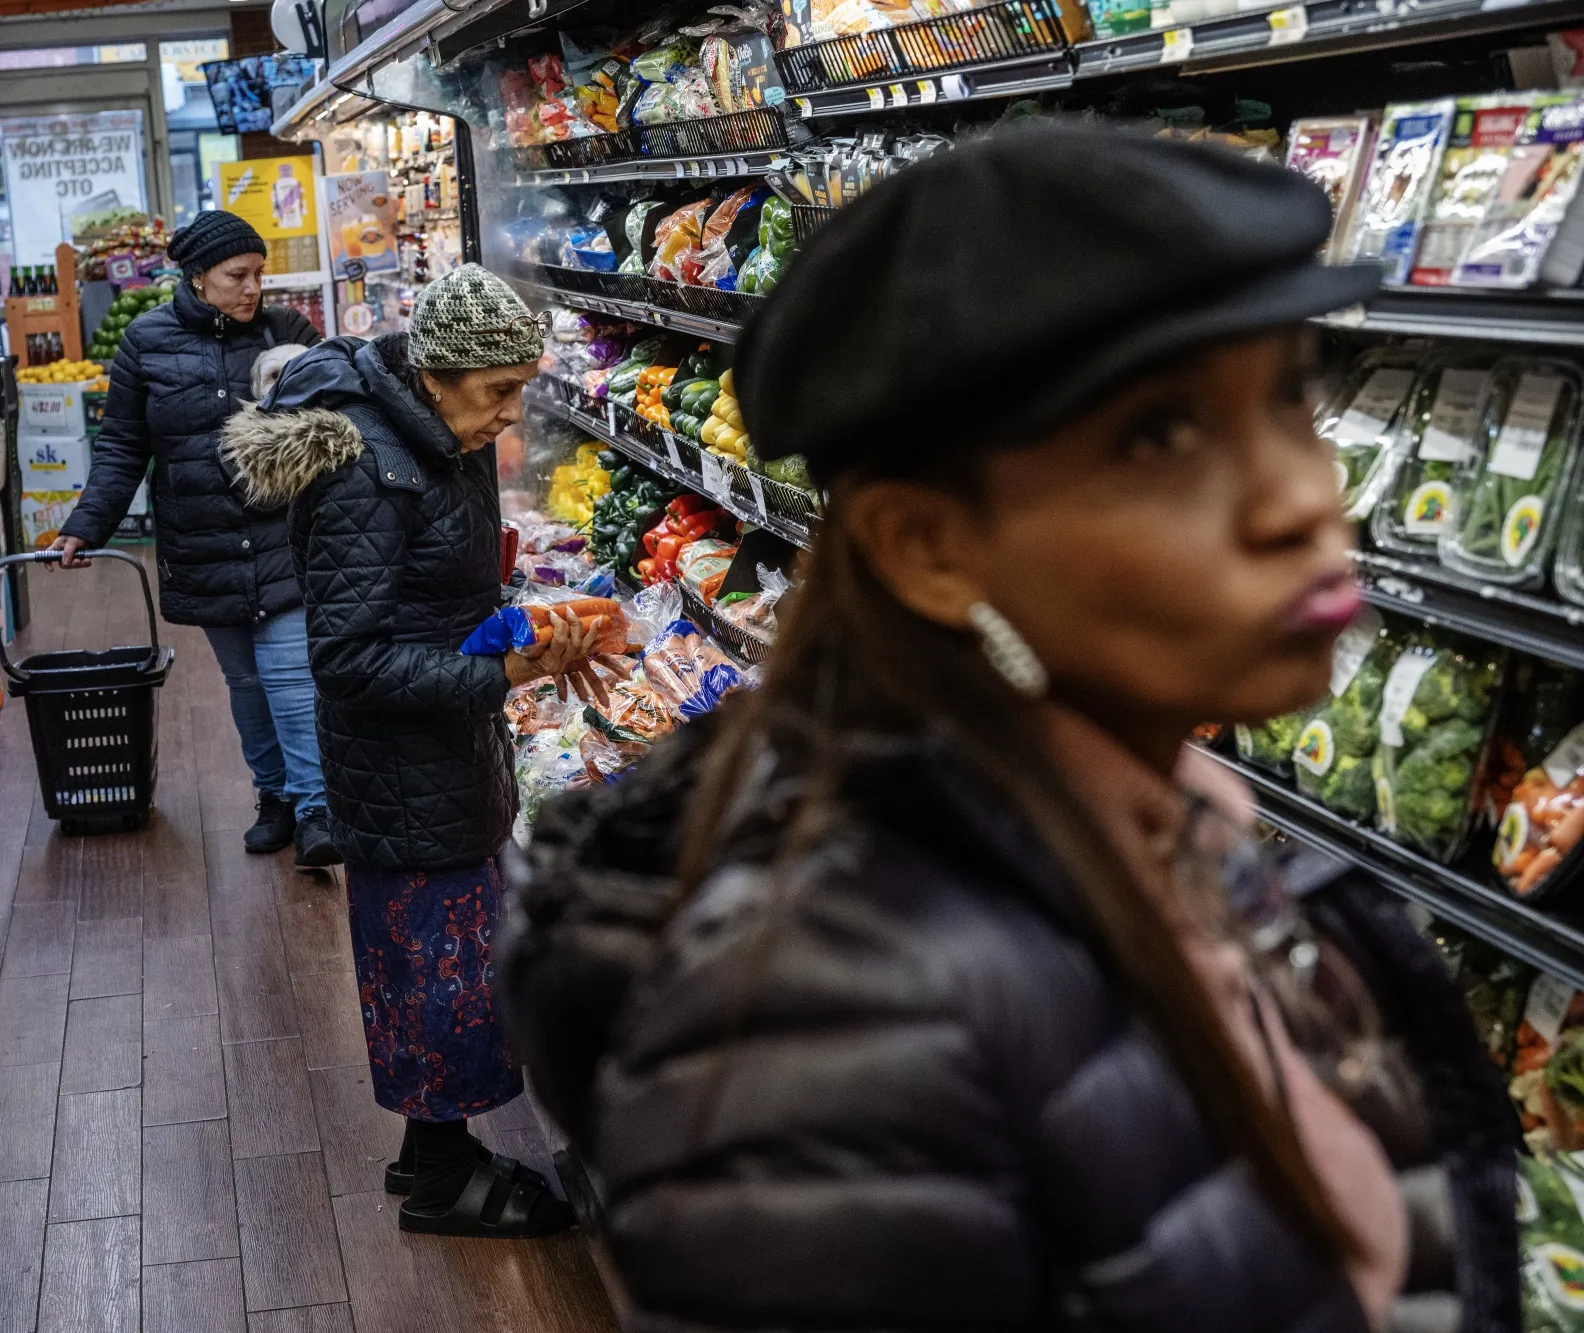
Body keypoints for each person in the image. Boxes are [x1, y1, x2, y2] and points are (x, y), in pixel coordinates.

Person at [498, 129, 1520, 1332]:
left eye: (1290, 401)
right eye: (1159, 437)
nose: (1302, 497)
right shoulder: (827, 1041)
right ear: (927, 547)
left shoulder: (1182, 829)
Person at [219, 264, 622, 1239]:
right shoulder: (364, 467)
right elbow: (350, 660)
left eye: (520, 388)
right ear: (436, 376)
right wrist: (506, 677)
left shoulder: (444, 440)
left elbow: (446, 600)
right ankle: (444, 1177)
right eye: (496, 392)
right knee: (432, 970)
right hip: (396, 766)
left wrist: (527, 633)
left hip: (449, 746)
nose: (508, 413)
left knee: (444, 964)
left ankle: (427, 1148)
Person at [54, 210, 338, 866]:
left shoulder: (287, 332)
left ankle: (316, 806)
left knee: (290, 674)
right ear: (197, 276)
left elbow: (338, 411)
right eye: (238, 275)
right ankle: (275, 797)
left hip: (281, 532)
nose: (253, 289)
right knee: (245, 682)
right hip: (201, 539)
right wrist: (85, 524)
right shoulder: (146, 342)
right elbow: (124, 444)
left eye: (259, 274)